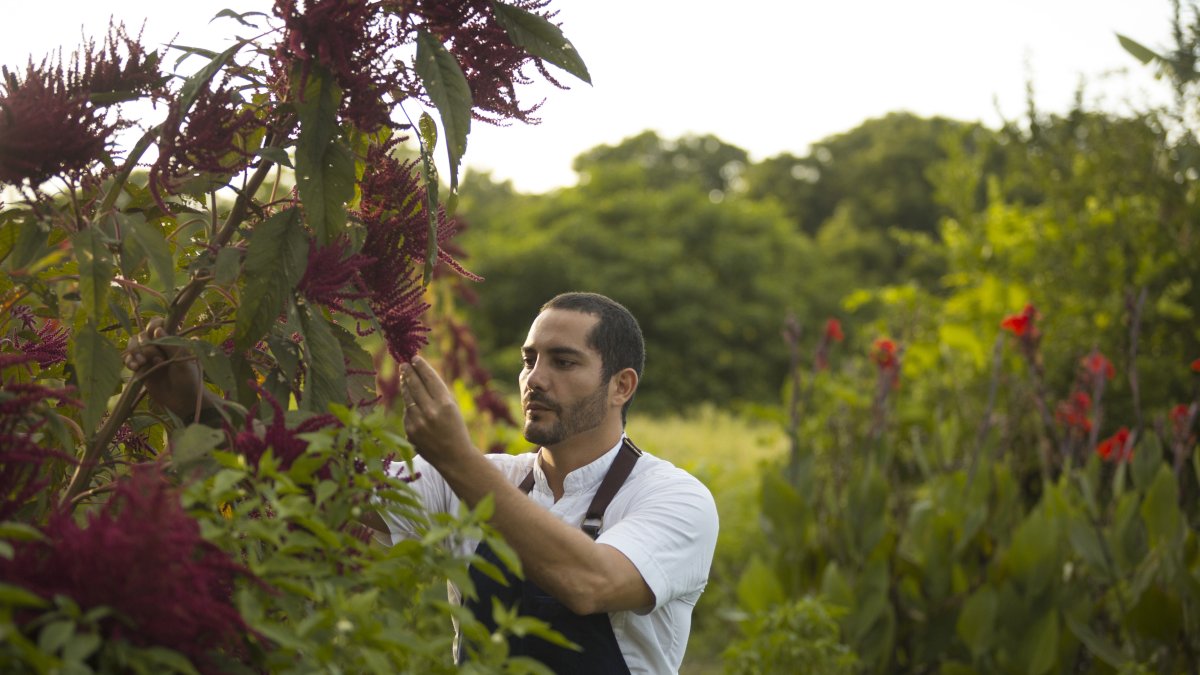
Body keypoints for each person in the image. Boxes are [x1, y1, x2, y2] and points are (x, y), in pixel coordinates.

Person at [124, 292, 719, 673]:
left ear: (622, 386)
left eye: (563, 362)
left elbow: (589, 583)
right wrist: (199, 406)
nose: (535, 379)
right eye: (528, 359)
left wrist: (458, 458)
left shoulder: (672, 497)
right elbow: (323, 489)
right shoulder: (485, 476)